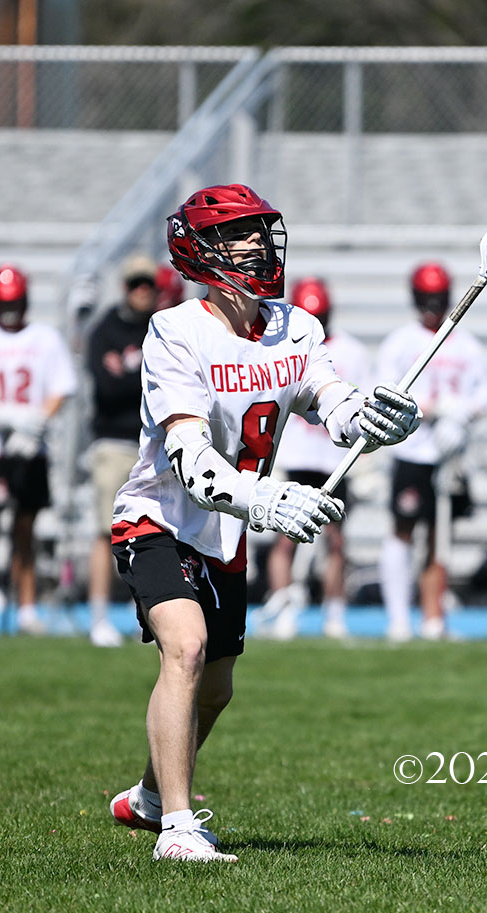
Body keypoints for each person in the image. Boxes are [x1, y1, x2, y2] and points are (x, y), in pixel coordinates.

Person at [107, 183, 420, 863]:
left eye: (259, 230)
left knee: (215, 689)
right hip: (160, 516)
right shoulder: (175, 331)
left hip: (226, 531)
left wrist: (372, 419)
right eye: (237, 233)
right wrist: (266, 501)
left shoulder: (295, 326)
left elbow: (331, 402)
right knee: (185, 649)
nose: (255, 243)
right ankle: (178, 829)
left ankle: (151, 797)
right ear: (200, 251)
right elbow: (189, 457)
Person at [0, 265, 77, 636]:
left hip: (31, 449)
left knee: (25, 530)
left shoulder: (45, 338)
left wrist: (36, 422)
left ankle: (26, 609)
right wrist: (2, 417)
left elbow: (60, 389)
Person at [376, 263, 487, 642]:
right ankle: (398, 618)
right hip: (412, 452)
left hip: (450, 456)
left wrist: (461, 417)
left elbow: (483, 397)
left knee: (441, 536)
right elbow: (383, 391)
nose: (432, 307)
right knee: (403, 530)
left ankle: (433, 617)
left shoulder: (467, 345)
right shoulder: (400, 342)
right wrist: (432, 410)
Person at [255, 277, 369, 640]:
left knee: (335, 540)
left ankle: (334, 613)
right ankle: (285, 609)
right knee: (285, 536)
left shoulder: (351, 351)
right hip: (296, 455)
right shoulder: (280, 346)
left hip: (333, 458)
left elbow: (361, 401)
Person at [83, 254, 164, 648]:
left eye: (148, 283)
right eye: (136, 284)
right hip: (114, 442)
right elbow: (108, 388)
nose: (142, 291)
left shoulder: (164, 326)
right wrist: (140, 377)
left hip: (153, 444)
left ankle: (151, 614)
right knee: (106, 531)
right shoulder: (106, 329)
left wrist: (130, 374)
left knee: (156, 535)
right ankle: (99, 616)